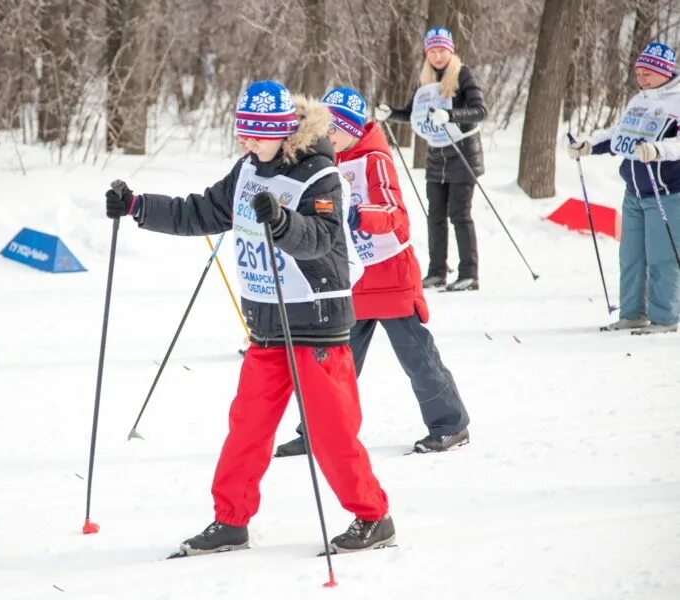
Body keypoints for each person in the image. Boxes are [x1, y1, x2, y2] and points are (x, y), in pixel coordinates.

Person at [105, 80, 395, 555]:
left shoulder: (320, 175)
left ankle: (372, 517)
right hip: (266, 326)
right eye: (244, 132)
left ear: (283, 132)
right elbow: (198, 212)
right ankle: (230, 521)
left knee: (330, 433)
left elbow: (322, 238)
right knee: (247, 428)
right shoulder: (245, 171)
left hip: (315, 323)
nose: (248, 141)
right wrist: (138, 207)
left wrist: (282, 224)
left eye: (258, 134)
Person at [275, 87, 470, 458]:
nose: (328, 134)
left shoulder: (374, 158)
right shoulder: (324, 160)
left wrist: (357, 214)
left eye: (335, 127)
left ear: (353, 127)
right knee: (336, 357)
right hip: (352, 279)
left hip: (391, 275)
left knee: (417, 355)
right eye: (325, 126)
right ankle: (316, 430)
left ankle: (451, 423)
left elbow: (397, 216)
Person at [569, 42, 680, 335]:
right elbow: (620, 134)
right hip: (634, 191)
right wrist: (589, 145)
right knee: (631, 256)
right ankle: (632, 313)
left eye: (648, 73)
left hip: (666, 191)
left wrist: (658, 150)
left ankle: (665, 317)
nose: (641, 78)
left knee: (661, 256)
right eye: (638, 73)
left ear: (665, 72)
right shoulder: (639, 100)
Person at [378, 27, 487, 292]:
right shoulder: (425, 80)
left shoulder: (462, 74)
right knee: (435, 215)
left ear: (450, 51)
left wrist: (451, 116)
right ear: (427, 53)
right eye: (433, 51)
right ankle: (437, 272)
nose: (438, 56)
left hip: (462, 154)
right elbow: (412, 113)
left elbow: (480, 111)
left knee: (459, 214)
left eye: (442, 50)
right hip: (436, 156)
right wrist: (390, 113)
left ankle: (469, 273)